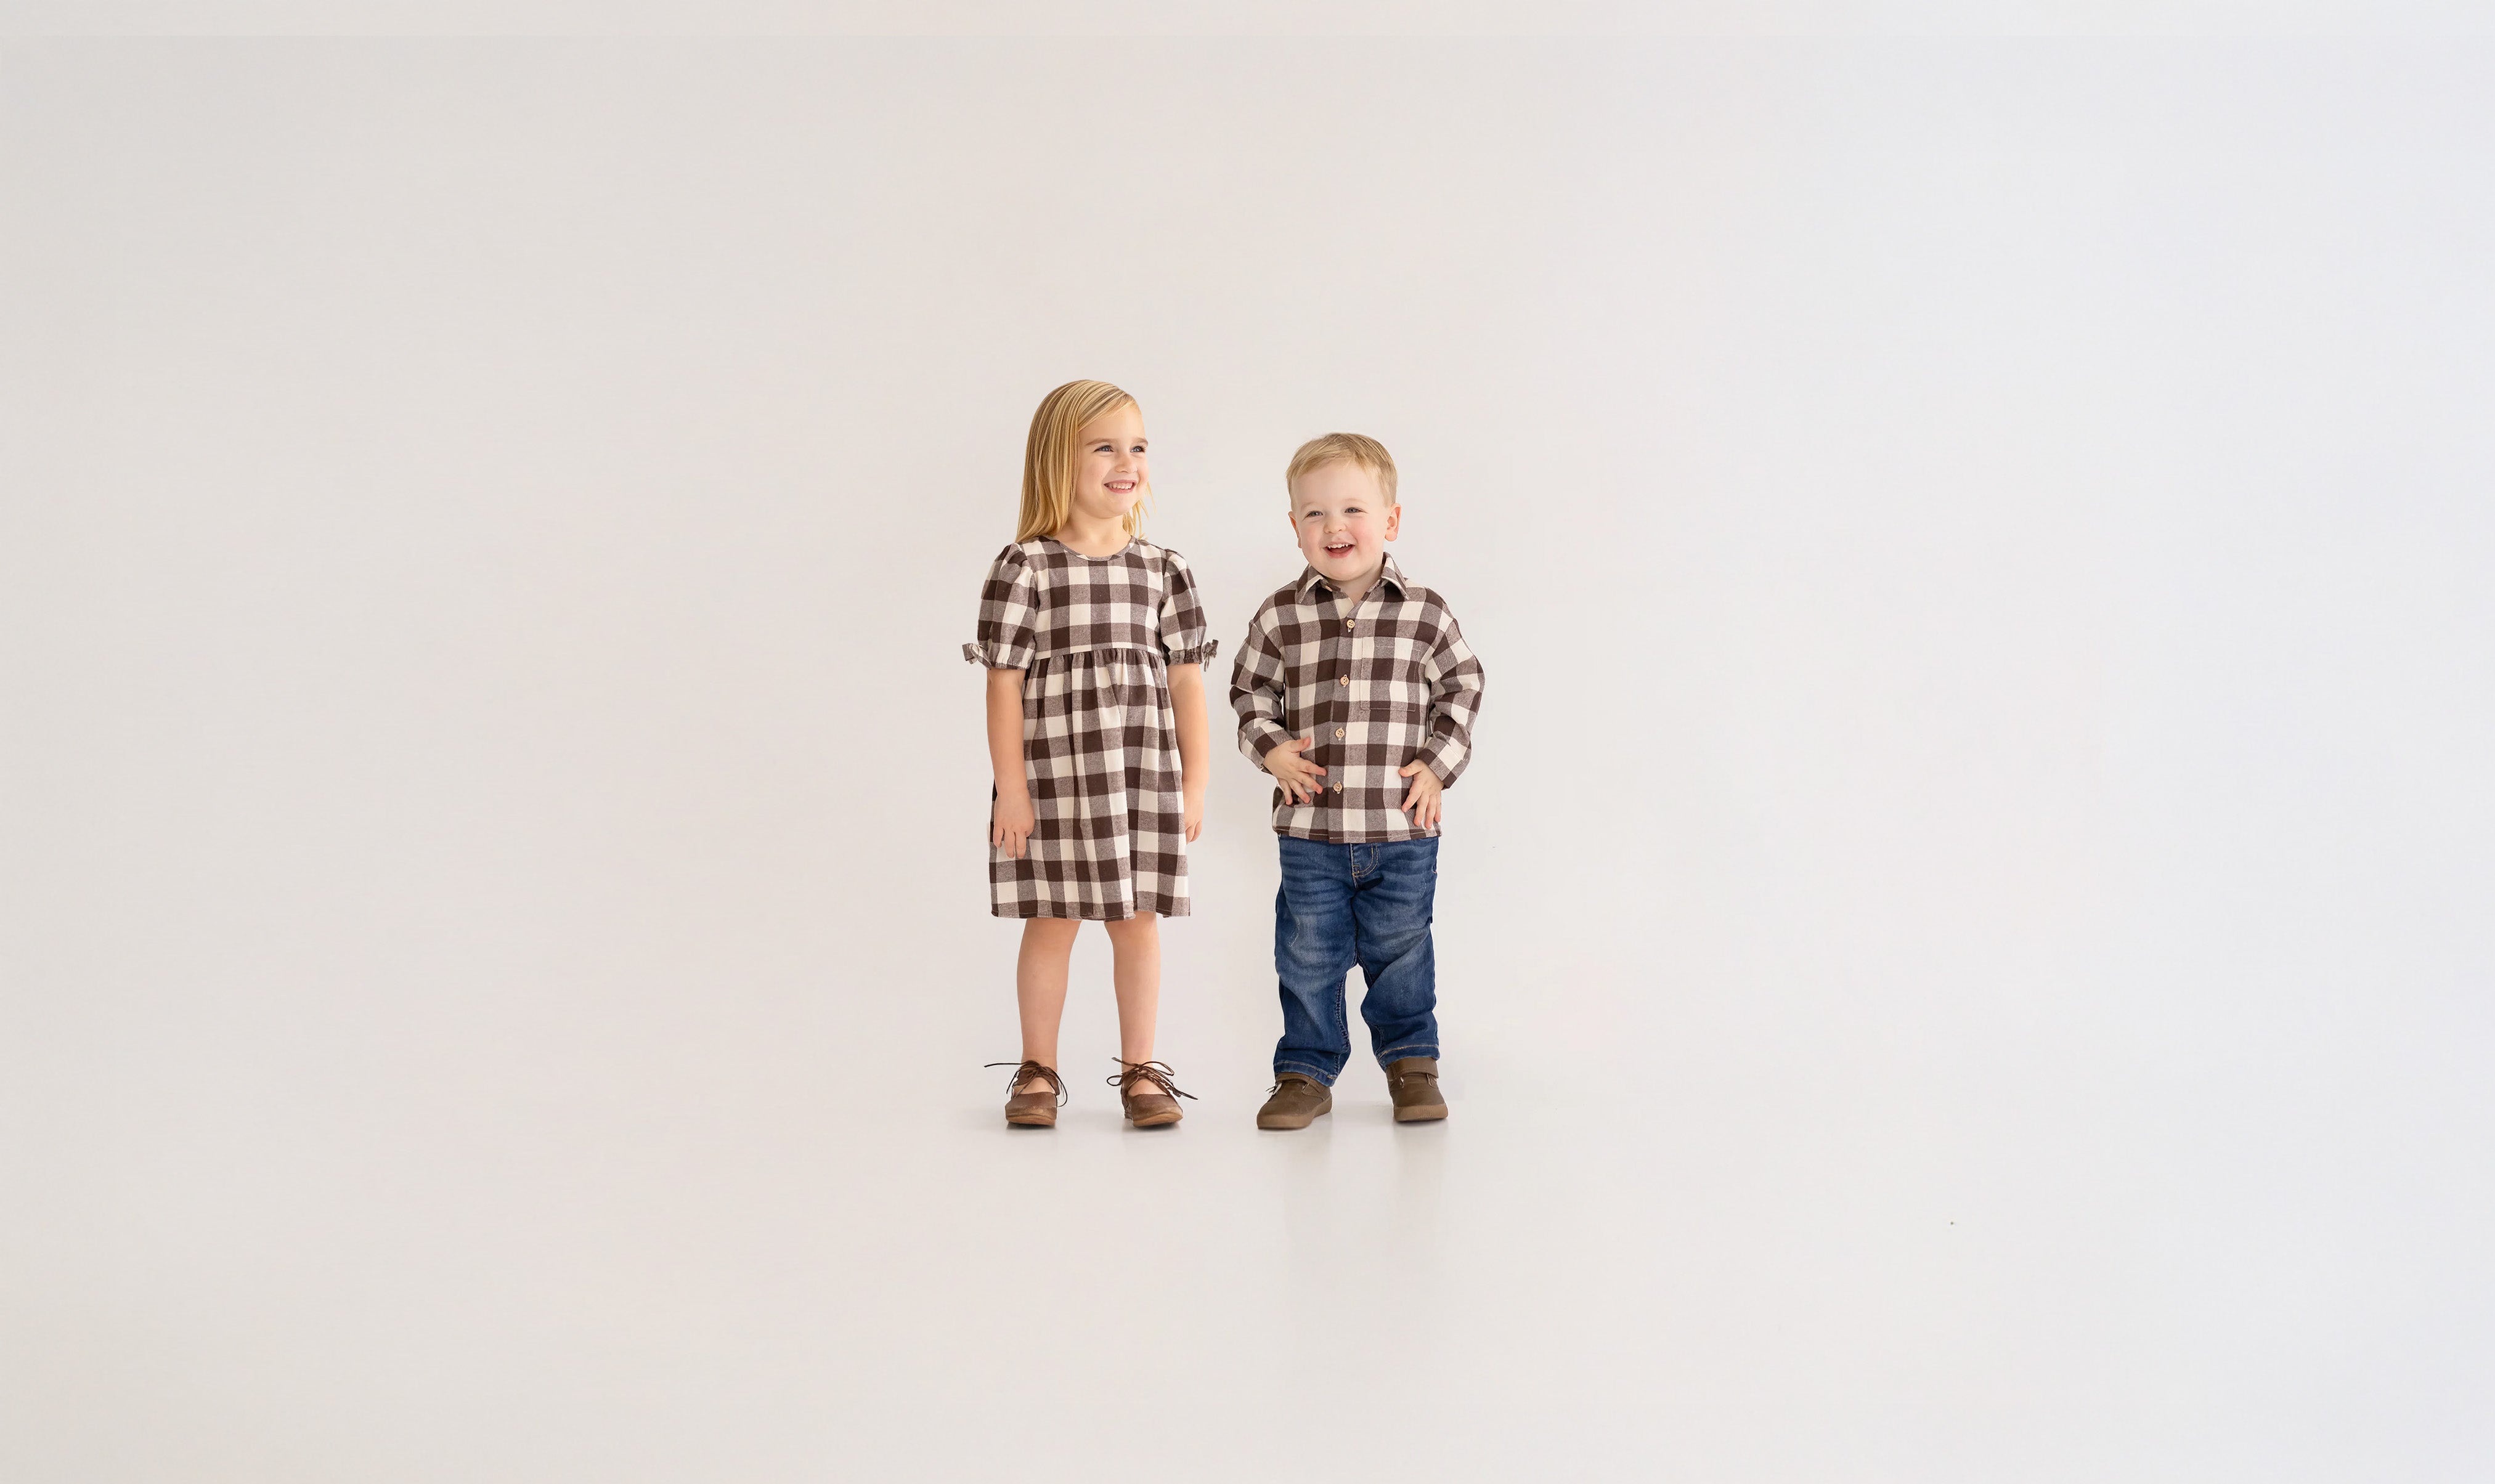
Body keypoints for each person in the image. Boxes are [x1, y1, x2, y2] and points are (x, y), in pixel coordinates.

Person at [966, 381, 1215, 1129]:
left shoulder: (1163, 568)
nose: (1126, 461)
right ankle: (1035, 1071)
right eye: (1104, 446)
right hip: (1054, 781)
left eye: (1136, 446)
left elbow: (1186, 682)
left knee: (1137, 921)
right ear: (1057, 461)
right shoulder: (1027, 566)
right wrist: (1010, 786)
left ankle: (1141, 1070)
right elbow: (1003, 684)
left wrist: (1194, 783)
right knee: (1050, 920)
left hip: (1139, 781)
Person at [1229, 433, 1484, 1129]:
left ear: (1391, 521)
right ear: (1293, 528)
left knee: (1400, 948)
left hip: (1402, 828)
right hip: (1310, 829)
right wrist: (1272, 749)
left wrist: (1437, 767)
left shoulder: (1424, 612)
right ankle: (1304, 1072)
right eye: (1313, 514)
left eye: (1351, 510)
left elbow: (1462, 687)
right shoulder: (1280, 614)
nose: (1333, 527)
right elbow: (1248, 691)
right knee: (1306, 952)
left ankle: (1411, 1062)